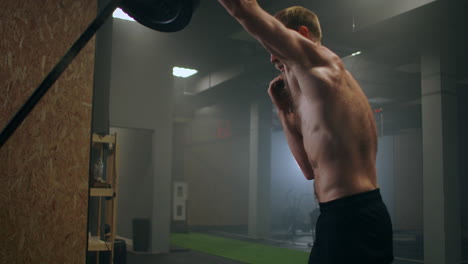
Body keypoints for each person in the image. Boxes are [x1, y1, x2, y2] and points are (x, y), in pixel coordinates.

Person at [218, 1, 394, 263]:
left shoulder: (324, 63)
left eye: (275, 45)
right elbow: (309, 170)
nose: (272, 57)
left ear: (301, 36)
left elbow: (244, 9)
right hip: (335, 217)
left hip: (354, 216)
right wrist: (282, 111)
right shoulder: (316, 96)